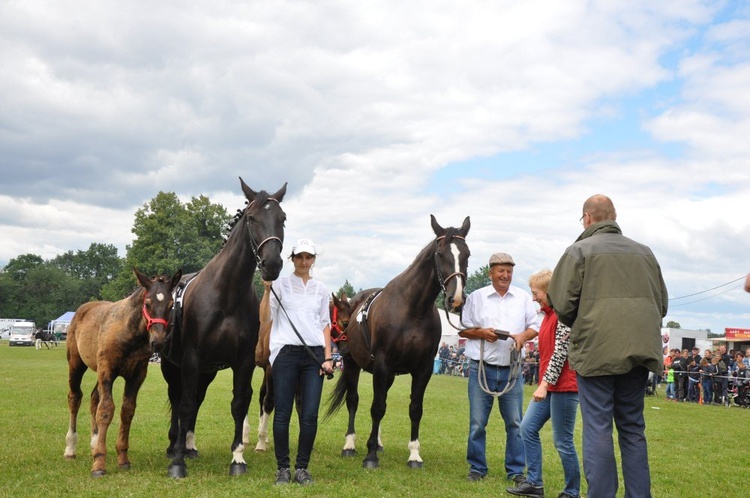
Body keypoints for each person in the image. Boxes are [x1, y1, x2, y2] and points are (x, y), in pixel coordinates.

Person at [547, 194, 668, 498]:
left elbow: (561, 303)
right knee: (632, 428)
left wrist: (585, 322)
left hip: (596, 350)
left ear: (587, 218)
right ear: (614, 217)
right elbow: (662, 304)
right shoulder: (645, 253)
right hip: (640, 351)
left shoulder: (579, 251)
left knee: (598, 427)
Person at [458, 252, 541, 484]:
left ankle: (515, 470)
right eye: (501, 270)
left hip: (512, 369)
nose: (505, 275)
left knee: (515, 423)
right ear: (490, 273)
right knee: (477, 423)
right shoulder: (476, 297)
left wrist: (522, 336)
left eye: (509, 271)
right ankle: (477, 467)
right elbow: (463, 329)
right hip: (481, 368)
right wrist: (482, 333)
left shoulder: (523, 297)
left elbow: (534, 326)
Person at [260, 238, 333, 486]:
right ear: (292, 259)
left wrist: (328, 357)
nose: (304, 261)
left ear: (313, 260)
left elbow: (325, 324)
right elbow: (265, 317)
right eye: (299, 256)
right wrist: (267, 290)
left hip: (313, 356)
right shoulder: (279, 284)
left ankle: (302, 468)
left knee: (309, 415)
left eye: (309, 257)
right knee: (282, 414)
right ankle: (283, 469)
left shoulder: (321, 289)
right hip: (286, 354)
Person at [506, 269, 580, 498]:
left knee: (562, 441)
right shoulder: (547, 316)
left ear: (549, 291)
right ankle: (534, 484)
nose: (534, 297)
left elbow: (560, 354)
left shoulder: (564, 317)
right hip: (549, 387)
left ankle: (572, 491)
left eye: (536, 292)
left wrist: (544, 384)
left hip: (564, 388)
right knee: (527, 428)